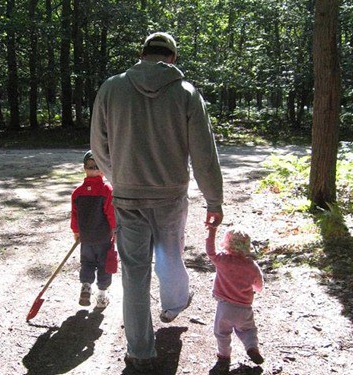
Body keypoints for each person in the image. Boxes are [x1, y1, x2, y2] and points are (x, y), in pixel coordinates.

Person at [90, 31, 223, 373]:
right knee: (170, 253)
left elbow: (98, 144)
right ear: (172, 58)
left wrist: (117, 177)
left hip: (128, 195)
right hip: (170, 196)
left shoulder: (111, 88)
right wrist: (214, 200)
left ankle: (140, 352)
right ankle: (175, 303)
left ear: (143, 53)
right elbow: (204, 152)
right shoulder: (186, 93)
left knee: (134, 274)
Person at [205, 226, 264, 374]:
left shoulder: (222, 260)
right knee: (249, 330)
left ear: (227, 244)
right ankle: (252, 347)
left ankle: (224, 356)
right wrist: (255, 288)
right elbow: (259, 285)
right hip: (244, 308)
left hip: (224, 307)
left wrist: (211, 232)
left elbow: (210, 252)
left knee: (222, 333)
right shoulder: (251, 265)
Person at [70, 150, 117, 309]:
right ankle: (102, 296)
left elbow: (74, 215)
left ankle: (86, 286)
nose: (95, 169)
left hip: (86, 239)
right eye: (92, 166)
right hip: (103, 238)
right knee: (104, 265)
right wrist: (115, 230)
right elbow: (111, 214)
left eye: (95, 166)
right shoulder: (106, 190)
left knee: (87, 263)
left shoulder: (77, 192)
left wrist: (76, 232)